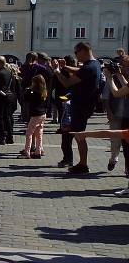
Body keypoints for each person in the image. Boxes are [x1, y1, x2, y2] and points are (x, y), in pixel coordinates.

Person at [54, 42, 100, 174]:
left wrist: (57, 71)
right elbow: (80, 71)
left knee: (79, 135)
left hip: (81, 105)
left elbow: (67, 82)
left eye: (76, 52)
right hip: (85, 105)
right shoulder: (94, 64)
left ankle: (83, 164)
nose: (75, 55)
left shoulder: (88, 68)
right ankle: (80, 163)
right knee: (77, 134)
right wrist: (65, 67)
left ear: (84, 50)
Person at [20, 74, 49, 159]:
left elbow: (26, 98)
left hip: (35, 115)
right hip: (42, 114)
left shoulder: (33, 92)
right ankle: (38, 151)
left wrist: (28, 90)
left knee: (29, 133)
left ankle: (27, 151)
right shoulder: (44, 91)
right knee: (39, 134)